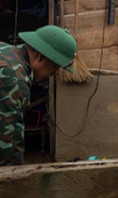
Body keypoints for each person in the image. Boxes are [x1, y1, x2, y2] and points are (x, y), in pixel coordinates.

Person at [0, 25, 77, 166]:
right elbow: (6, 148)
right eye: (54, 67)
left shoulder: (5, 50)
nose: (53, 74)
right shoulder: (14, 80)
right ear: (40, 56)